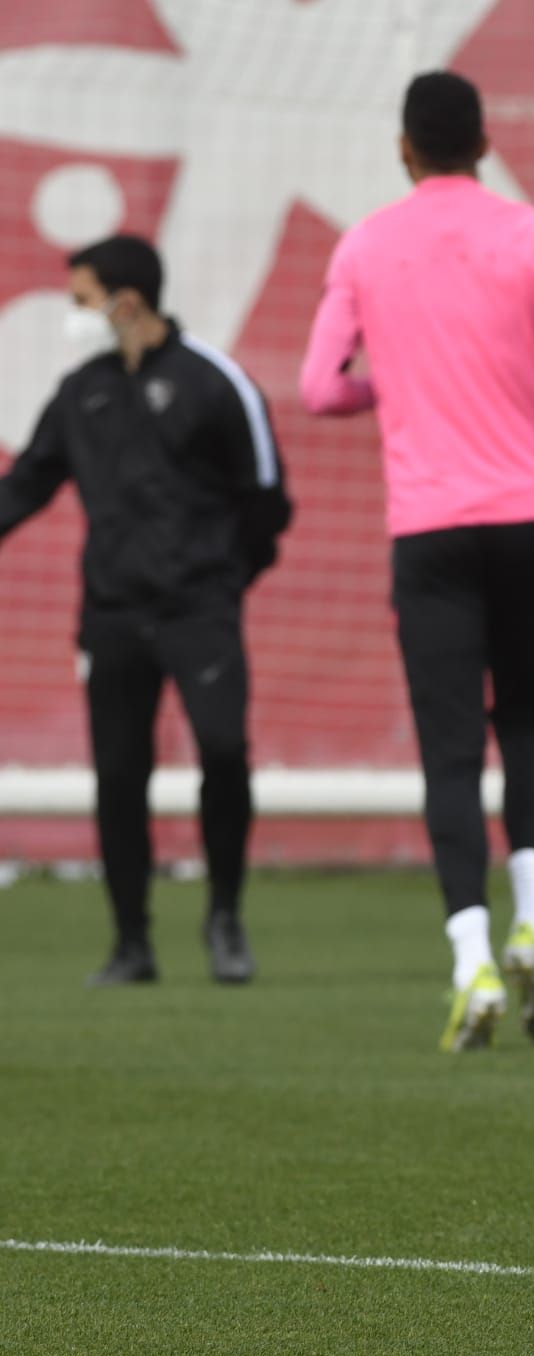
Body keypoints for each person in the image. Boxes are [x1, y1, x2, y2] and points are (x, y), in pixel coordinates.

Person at [299, 70, 534, 1052]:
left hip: (430, 529)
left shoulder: (365, 244)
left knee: (448, 749)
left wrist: (392, 388)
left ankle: (471, 959)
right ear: (483, 143)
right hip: (531, 517)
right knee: (525, 720)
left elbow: (320, 388)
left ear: (405, 149)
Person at [0, 234, 289, 988]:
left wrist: (222, 580)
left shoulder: (213, 382)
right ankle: (131, 942)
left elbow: (266, 499)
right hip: (113, 615)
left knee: (223, 750)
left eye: (82, 301)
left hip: (200, 611)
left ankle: (224, 917)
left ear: (125, 303)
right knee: (119, 774)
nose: (73, 316)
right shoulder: (81, 393)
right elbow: (25, 485)